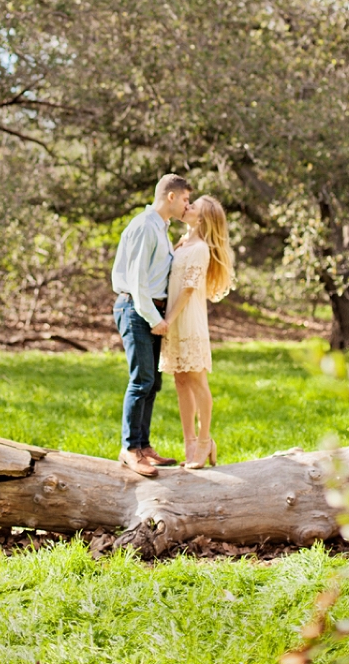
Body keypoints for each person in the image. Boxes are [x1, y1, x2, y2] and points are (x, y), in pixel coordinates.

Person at [112, 173, 191, 477]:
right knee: (141, 380)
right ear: (171, 196)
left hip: (149, 311)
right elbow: (137, 281)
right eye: (185, 199)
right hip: (136, 309)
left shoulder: (161, 228)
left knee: (152, 382)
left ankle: (144, 446)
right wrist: (155, 319)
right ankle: (130, 449)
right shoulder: (145, 226)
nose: (187, 206)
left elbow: (158, 271)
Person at [160, 195, 234, 469]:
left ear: (201, 219)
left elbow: (189, 288)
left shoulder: (201, 248)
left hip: (187, 319)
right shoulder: (183, 243)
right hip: (174, 319)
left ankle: (205, 441)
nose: (187, 207)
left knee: (197, 380)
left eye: (193, 207)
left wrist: (168, 319)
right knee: (180, 380)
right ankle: (189, 442)